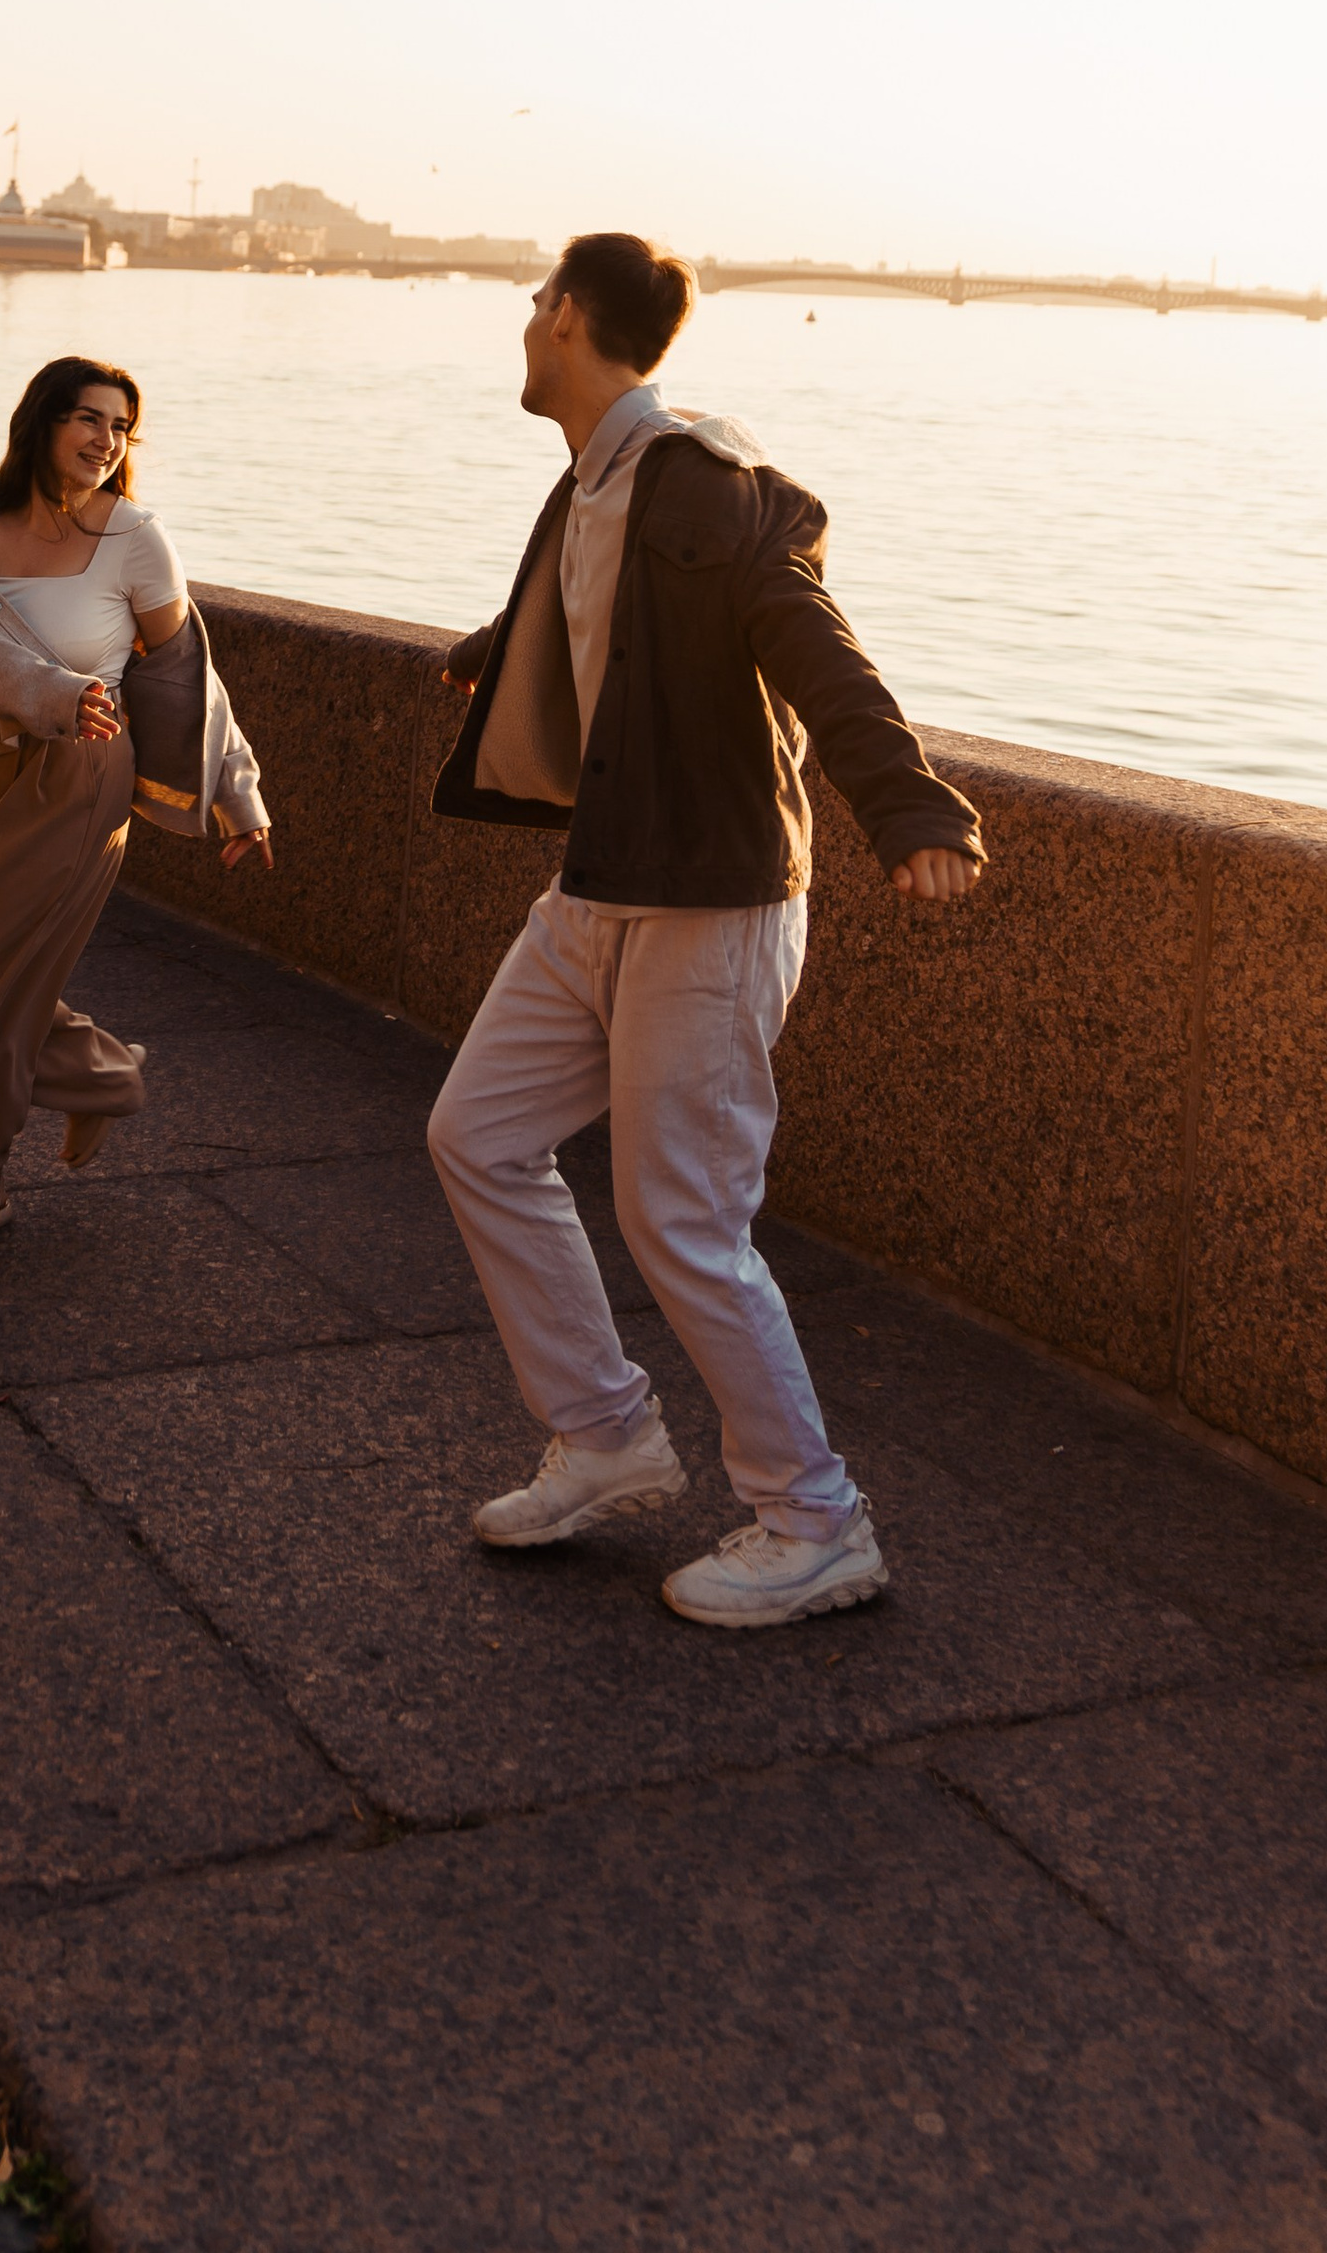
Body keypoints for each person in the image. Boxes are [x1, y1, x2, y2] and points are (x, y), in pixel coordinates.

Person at [426, 232, 986, 1628]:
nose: (523, 319)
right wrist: (497, 653)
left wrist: (909, 808)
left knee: (681, 1216)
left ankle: (815, 1520)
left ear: (570, 322)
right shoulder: (599, 476)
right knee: (478, 1136)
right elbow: (610, 626)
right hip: (604, 880)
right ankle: (608, 1434)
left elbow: (805, 633)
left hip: (713, 901)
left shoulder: (692, 478)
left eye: (537, 301)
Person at [0, 354, 271, 1250]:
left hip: (81, 779)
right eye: (89, 418)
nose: (106, 440)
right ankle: (98, 1073)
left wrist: (238, 793)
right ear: (43, 421)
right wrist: (48, 689)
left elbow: (183, 676)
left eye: (122, 426)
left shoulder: (133, 537)